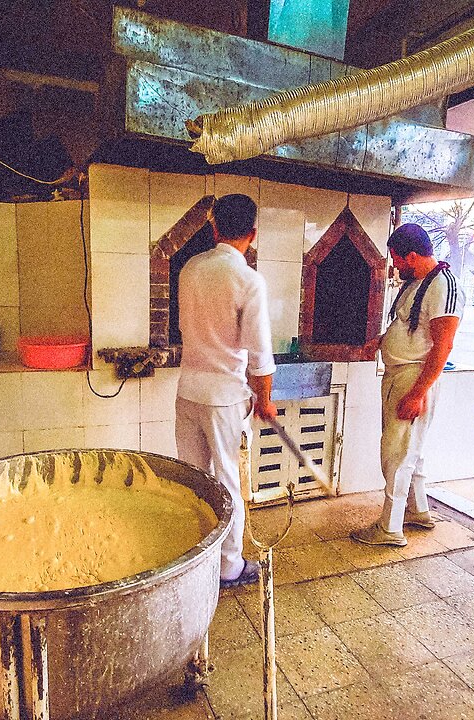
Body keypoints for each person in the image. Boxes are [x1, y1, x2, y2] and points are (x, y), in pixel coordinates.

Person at [175, 193, 278, 588]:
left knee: (195, 479)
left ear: (214, 227)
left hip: (188, 390)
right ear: (252, 233)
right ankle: (229, 567)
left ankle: (194, 558)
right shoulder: (248, 280)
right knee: (227, 480)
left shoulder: (189, 268)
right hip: (224, 399)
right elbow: (259, 351)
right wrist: (265, 400)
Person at [352, 223, 464, 547]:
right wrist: (381, 341)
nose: (396, 266)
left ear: (412, 256)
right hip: (400, 373)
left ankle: (389, 528)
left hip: (415, 378)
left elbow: (443, 346)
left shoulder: (444, 285)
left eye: (398, 260)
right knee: (408, 449)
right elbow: (408, 326)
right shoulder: (418, 282)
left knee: (396, 454)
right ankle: (417, 510)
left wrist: (418, 393)